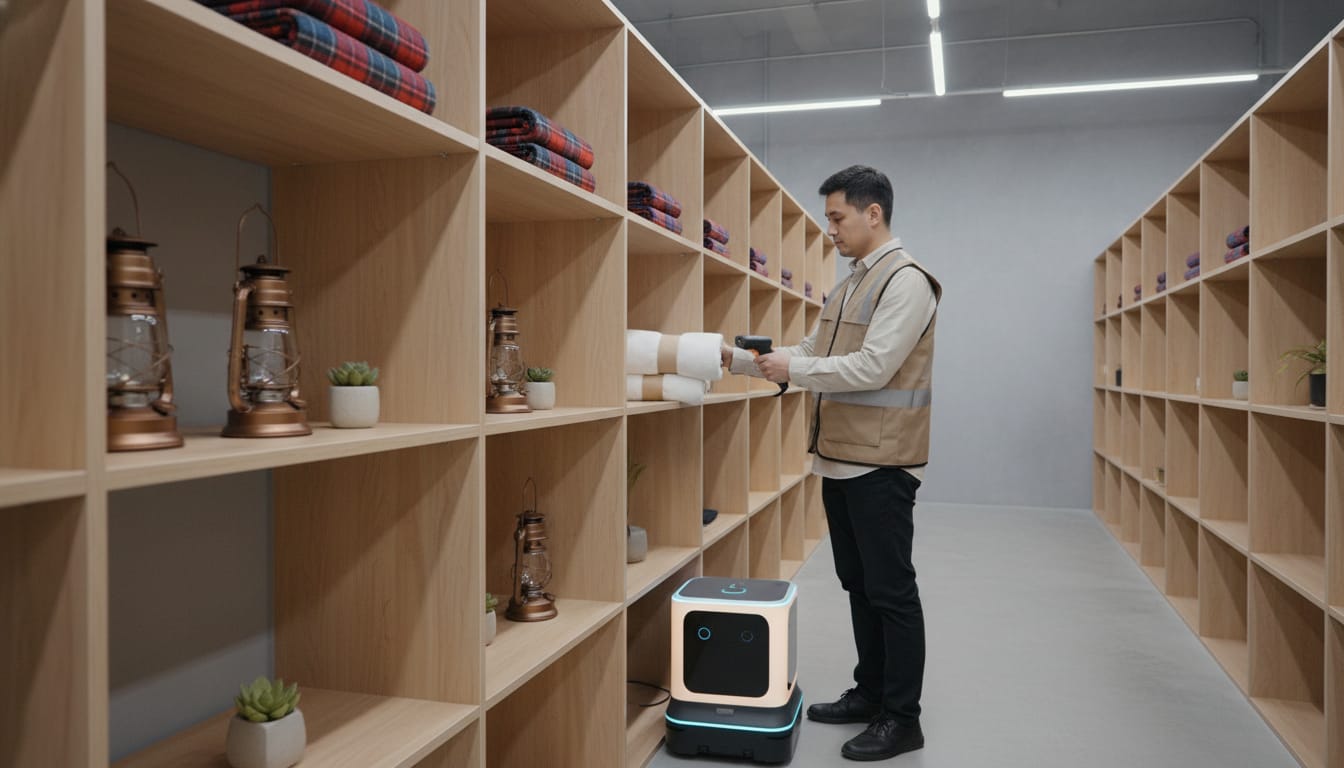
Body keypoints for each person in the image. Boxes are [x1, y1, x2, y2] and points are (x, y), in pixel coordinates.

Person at [720, 165, 941, 762]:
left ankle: (903, 718)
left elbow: (873, 367)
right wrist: (740, 361)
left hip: (883, 465)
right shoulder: (849, 285)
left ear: (875, 214)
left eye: (838, 218)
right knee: (859, 586)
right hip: (840, 462)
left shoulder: (906, 282)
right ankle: (870, 694)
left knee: (891, 593)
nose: (832, 230)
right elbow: (816, 352)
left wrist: (794, 369)